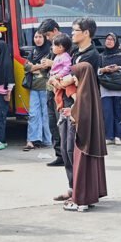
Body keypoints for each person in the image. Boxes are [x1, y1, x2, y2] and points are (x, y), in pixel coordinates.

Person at [52, 17, 101, 203]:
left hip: (79, 108)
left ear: (86, 33)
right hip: (65, 105)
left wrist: (57, 81)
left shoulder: (91, 55)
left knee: (75, 150)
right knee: (65, 150)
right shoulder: (74, 53)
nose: (72, 33)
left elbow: (68, 80)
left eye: (75, 30)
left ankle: (81, 191)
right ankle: (73, 187)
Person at [62, 63, 108, 212]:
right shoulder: (91, 90)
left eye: (76, 75)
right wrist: (73, 111)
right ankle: (88, 198)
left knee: (81, 168)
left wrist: (72, 115)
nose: (74, 79)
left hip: (84, 140)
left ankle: (80, 201)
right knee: (90, 169)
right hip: (92, 138)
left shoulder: (83, 92)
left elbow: (81, 117)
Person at [38, 19, 64, 166]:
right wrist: (45, 64)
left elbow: (69, 65)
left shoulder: (66, 43)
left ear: (55, 30)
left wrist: (52, 63)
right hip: (50, 88)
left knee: (62, 124)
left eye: (48, 35)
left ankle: (67, 155)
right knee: (52, 123)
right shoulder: (51, 47)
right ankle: (59, 154)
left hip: (61, 90)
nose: (48, 39)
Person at [23, 30, 52, 151]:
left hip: (46, 87)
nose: (38, 39)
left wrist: (34, 67)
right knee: (33, 114)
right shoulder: (33, 52)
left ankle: (47, 140)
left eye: (40, 37)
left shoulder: (50, 51)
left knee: (46, 114)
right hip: (34, 87)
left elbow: (48, 66)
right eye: (35, 37)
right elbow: (26, 66)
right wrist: (39, 66)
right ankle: (33, 139)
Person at [98, 33, 121, 146]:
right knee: (107, 113)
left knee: (118, 113)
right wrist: (104, 69)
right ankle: (109, 136)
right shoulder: (101, 56)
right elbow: (96, 71)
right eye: (107, 39)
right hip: (105, 89)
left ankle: (118, 136)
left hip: (119, 89)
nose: (109, 41)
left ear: (116, 42)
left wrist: (118, 68)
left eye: (112, 39)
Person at [48, 34, 74, 113]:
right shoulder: (57, 56)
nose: (52, 47)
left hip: (62, 78)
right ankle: (60, 109)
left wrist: (59, 75)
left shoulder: (65, 56)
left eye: (54, 45)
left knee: (59, 95)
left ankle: (60, 109)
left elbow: (68, 67)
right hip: (56, 78)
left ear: (60, 47)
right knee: (56, 94)